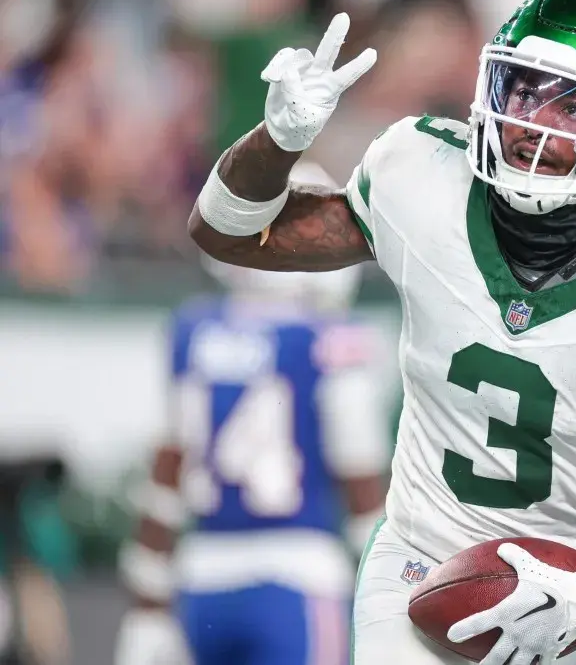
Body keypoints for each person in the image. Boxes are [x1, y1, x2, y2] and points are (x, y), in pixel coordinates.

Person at [187, 0, 576, 665]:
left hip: (569, 580)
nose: (531, 123)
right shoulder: (419, 179)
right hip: (420, 560)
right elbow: (226, 234)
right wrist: (277, 141)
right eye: (522, 90)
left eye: (573, 105)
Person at [116, 164, 390, 665]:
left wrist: (147, 604)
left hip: (201, 583)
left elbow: (166, 478)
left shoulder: (194, 330)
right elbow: (361, 485)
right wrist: (392, 595)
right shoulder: (330, 342)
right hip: (297, 583)